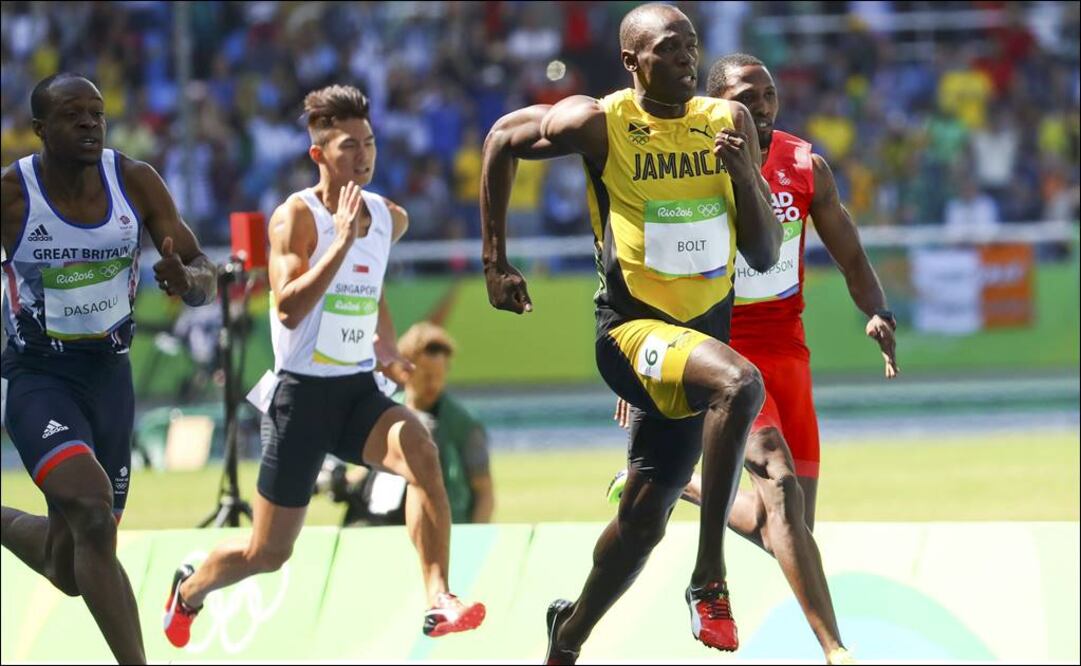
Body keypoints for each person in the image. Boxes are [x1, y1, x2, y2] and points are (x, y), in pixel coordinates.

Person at [480, 5, 782, 662]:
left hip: (695, 345)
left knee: (643, 520)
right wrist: (494, 262)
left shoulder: (725, 125)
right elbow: (502, 136)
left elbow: (762, 254)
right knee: (741, 381)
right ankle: (709, 577)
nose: (685, 58)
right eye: (669, 47)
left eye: (692, 46)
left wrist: (741, 174)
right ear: (630, 61)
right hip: (631, 335)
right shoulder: (600, 121)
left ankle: (567, 634)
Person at [160, 84, 485, 648]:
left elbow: (372, 282)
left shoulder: (389, 217)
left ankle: (438, 597)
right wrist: (339, 242)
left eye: (369, 143)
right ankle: (189, 589)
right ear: (318, 155)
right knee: (268, 552)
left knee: (422, 452)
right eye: (347, 147)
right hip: (300, 399)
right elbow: (286, 308)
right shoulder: (295, 218)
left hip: (357, 392)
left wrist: (383, 345)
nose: (363, 156)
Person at [610, 53, 899, 664]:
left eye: (770, 95)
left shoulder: (804, 165)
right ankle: (835, 649)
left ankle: (687, 484)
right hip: (718, 343)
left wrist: (876, 310)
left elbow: (848, 250)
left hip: (787, 347)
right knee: (780, 488)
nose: (763, 106)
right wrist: (646, 353)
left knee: (792, 530)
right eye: (749, 96)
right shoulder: (685, 161)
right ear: (720, 104)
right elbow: (654, 259)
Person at [0, 73, 218, 665]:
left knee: (70, 566)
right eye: (74, 115)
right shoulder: (13, 195)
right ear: (41, 130)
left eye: (97, 113)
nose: (91, 124)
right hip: (39, 378)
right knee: (93, 513)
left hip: (109, 379)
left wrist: (188, 282)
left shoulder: (135, 182)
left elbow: (204, 272)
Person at [320, 321, 495, 526]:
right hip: (382, 524)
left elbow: (484, 491)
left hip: (439, 527)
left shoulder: (463, 424)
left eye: (440, 376)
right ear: (404, 369)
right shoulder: (380, 411)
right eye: (426, 375)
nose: (434, 384)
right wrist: (338, 482)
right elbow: (369, 469)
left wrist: (471, 539)